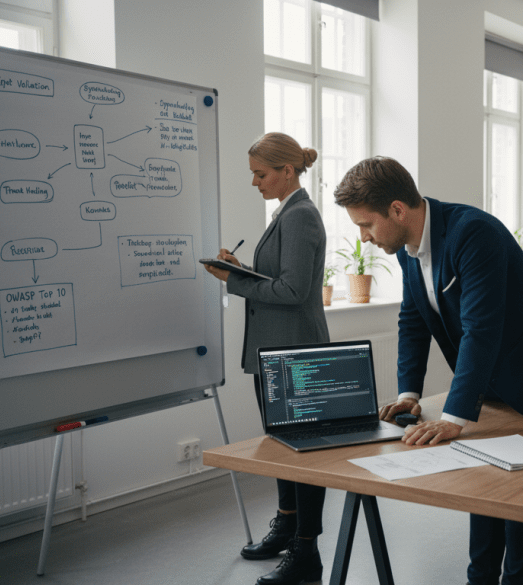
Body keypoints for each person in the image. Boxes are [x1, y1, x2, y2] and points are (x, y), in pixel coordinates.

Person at [333, 156, 523, 585]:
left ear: (397, 210)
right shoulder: (408, 248)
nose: (364, 237)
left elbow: (481, 328)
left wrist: (452, 416)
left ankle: (516, 579)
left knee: (518, 485)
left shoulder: (473, 232)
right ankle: (480, 577)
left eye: (366, 225)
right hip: (490, 378)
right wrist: (409, 393)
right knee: (485, 476)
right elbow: (412, 320)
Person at [204, 132, 330, 585]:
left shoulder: (300, 217)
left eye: (261, 174)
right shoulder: (286, 214)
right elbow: (278, 279)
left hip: (294, 354)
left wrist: (232, 282)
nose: (255, 182)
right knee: (282, 448)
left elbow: (294, 292)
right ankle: (286, 528)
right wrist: (236, 270)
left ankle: (305, 551)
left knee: (304, 455)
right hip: (275, 352)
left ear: (287, 172)